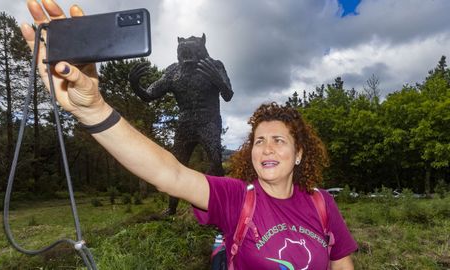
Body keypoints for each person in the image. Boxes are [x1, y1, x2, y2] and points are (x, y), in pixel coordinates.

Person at [21, 1, 358, 269]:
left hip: (209, 119)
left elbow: (228, 94)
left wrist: (219, 76)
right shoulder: (175, 72)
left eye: (279, 140)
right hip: (185, 120)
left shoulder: (321, 204)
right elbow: (168, 168)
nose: (267, 148)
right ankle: (174, 211)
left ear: (299, 153)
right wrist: (98, 106)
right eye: (259, 140)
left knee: (213, 159)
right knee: (178, 163)